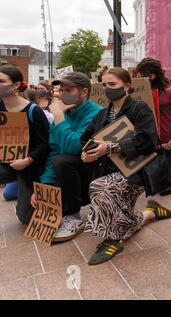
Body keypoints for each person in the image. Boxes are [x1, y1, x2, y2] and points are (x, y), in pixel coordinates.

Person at [80, 68, 171, 265]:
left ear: (127, 86)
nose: (107, 89)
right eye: (104, 85)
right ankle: (149, 213)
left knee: (99, 188)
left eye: (112, 84)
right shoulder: (101, 115)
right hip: (107, 171)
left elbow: (149, 140)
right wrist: (86, 153)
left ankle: (114, 238)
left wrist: (111, 147)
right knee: (113, 200)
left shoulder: (140, 109)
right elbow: (86, 139)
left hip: (136, 172)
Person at [31, 72, 102, 243]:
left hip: (93, 175)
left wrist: (59, 117)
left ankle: (74, 217)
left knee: (63, 161)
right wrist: (45, 186)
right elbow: (54, 150)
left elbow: (74, 148)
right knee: (29, 214)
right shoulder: (64, 113)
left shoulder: (97, 113)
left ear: (84, 92)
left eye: (68, 90)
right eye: (60, 90)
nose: (61, 94)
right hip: (69, 172)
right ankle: (65, 207)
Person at [0, 66, 50, 224]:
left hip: (31, 167)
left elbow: (46, 145)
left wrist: (28, 160)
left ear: (15, 85)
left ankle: (28, 191)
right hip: (6, 164)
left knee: (26, 219)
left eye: (1, 81)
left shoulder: (33, 111)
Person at [136, 58, 171, 196]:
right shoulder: (140, 94)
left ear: (152, 76)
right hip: (147, 143)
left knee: (162, 189)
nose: (137, 79)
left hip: (166, 146)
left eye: (140, 76)